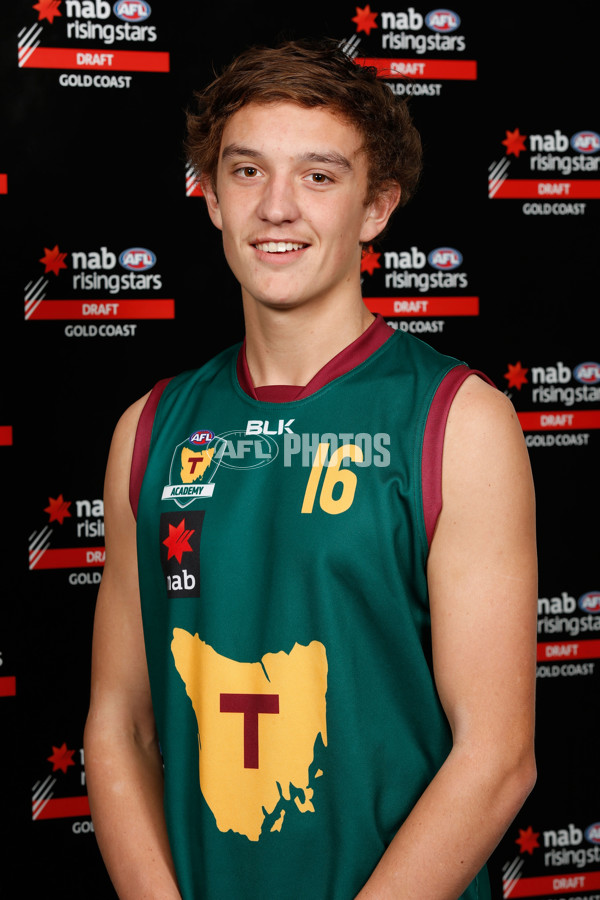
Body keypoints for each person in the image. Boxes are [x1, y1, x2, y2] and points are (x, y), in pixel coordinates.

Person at [84, 39, 537, 900]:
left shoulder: (458, 421)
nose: (277, 208)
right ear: (212, 198)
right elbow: (120, 724)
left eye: (320, 177)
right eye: (247, 172)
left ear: (377, 207)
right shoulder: (147, 430)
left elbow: (498, 756)